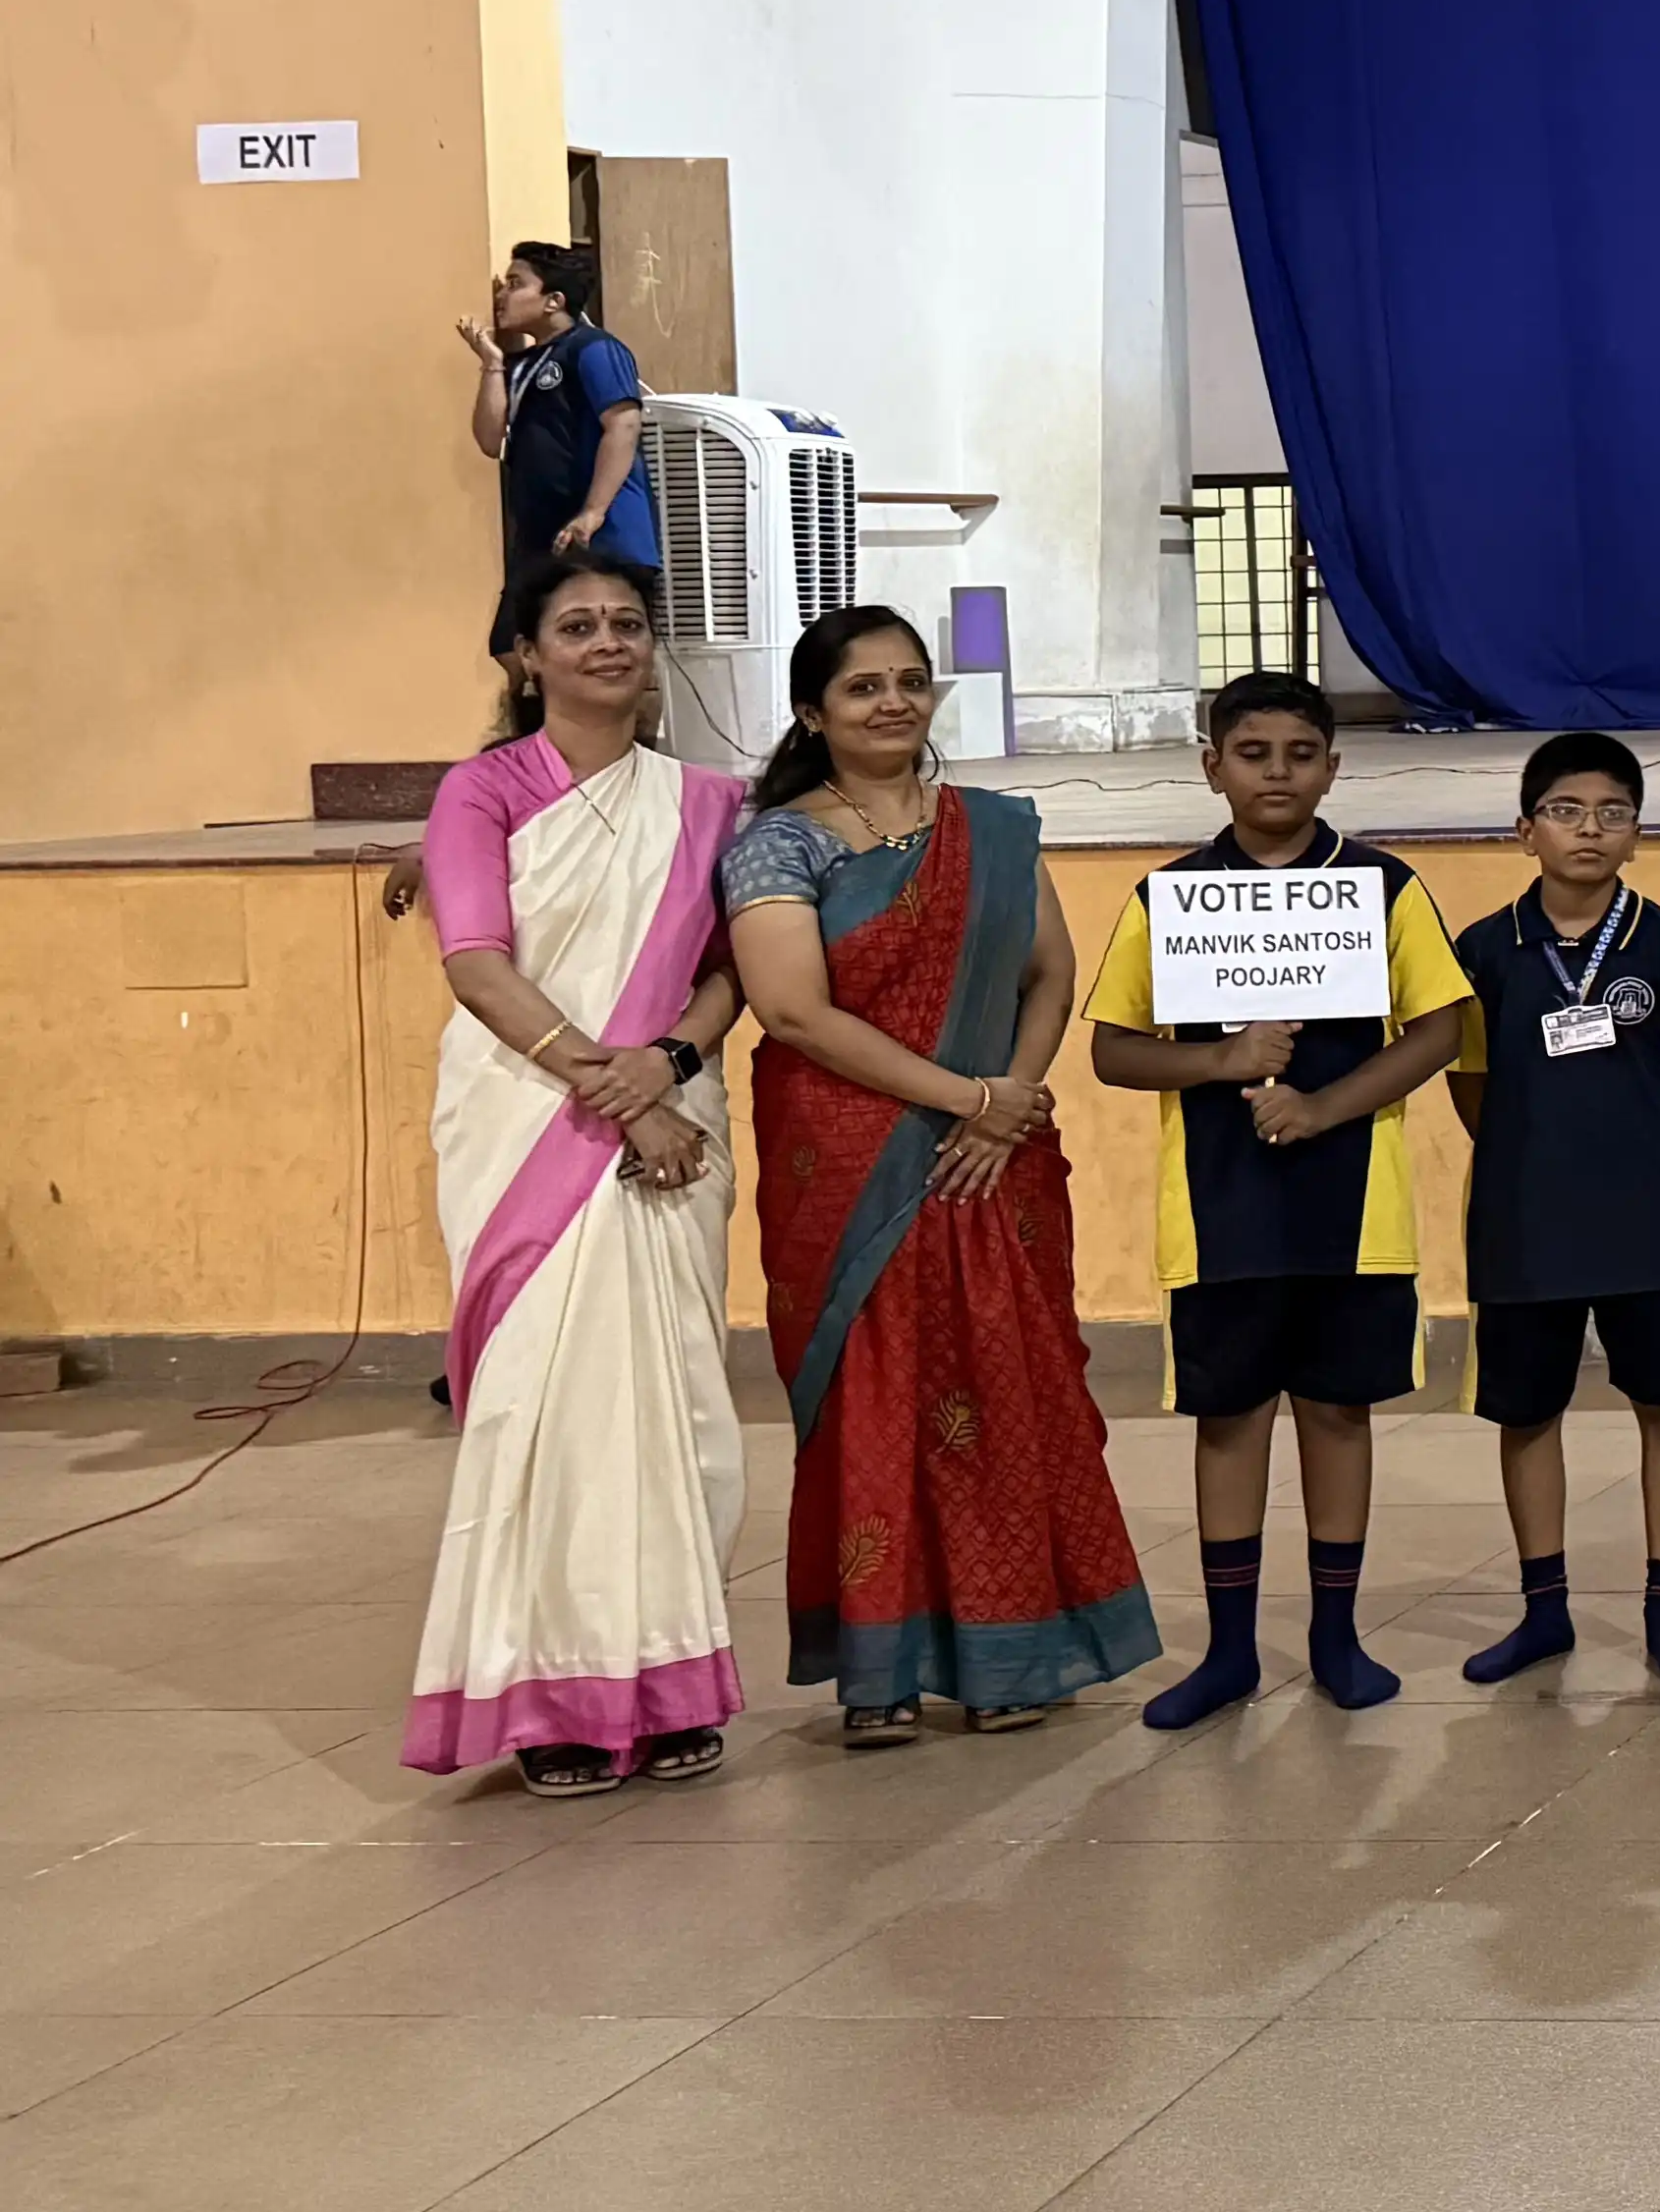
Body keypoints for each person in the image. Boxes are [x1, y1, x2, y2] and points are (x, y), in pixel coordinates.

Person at [718, 602, 1151, 1748]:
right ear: (814, 712)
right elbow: (792, 1011)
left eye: (911, 682)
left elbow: (1050, 974)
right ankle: (882, 1674)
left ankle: (1011, 1656)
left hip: (987, 1162)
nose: (895, 702)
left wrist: (1005, 1103)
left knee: (1000, 1391)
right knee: (876, 1400)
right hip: (852, 1162)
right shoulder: (781, 841)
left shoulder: (994, 830)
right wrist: (967, 1099)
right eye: (864, 688)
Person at [406, 545, 746, 1793]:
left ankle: (668, 1681)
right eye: (578, 625)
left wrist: (663, 1064)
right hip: (522, 1120)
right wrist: (608, 1082)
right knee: (533, 1412)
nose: (608, 643)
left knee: (670, 1408)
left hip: (673, 1109)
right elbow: (477, 960)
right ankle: (543, 1697)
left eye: (628, 624)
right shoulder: (480, 793)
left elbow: (732, 968)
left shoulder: (710, 803)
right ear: (525, 656)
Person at [1085, 670, 1474, 1732]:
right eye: (1252, 754)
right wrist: (1225, 1063)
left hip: (1355, 1212)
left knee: (1338, 1411)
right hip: (1220, 1214)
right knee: (1230, 1416)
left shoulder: (1383, 888)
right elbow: (1115, 1049)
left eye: (1300, 755)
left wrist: (1324, 1106)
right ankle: (1225, 1652)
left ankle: (1336, 1637)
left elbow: (1438, 1029)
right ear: (1212, 766)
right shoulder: (1169, 898)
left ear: (1332, 768)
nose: (1277, 773)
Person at [1441, 732, 1660, 1687]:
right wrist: (1541, 1155)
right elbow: (1471, 1084)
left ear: (1637, 835)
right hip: (1523, 1220)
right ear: (1525, 830)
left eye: (1613, 812)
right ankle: (1544, 1611)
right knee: (1527, 1413)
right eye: (1566, 811)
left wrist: (1640, 1156)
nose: (1590, 829)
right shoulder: (1483, 951)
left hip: (1645, 1218)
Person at [459, 241, 662, 580]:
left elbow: (623, 425)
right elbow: (490, 441)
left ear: (554, 301)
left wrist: (593, 513)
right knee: (514, 634)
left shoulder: (593, 347)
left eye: (515, 285)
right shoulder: (521, 363)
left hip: (601, 540)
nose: (501, 296)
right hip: (541, 543)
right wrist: (492, 362)